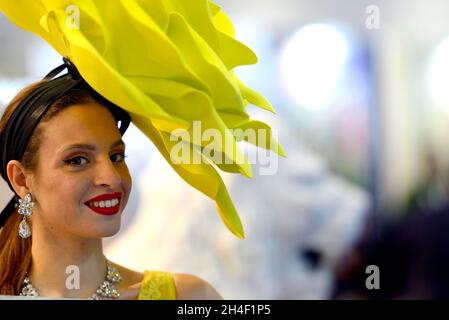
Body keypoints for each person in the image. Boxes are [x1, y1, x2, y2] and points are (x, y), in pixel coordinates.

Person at [0, 59, 222, 299]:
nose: (113, 178)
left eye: (116, 156)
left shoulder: (187, 296)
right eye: (77, 160)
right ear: (21, 179)